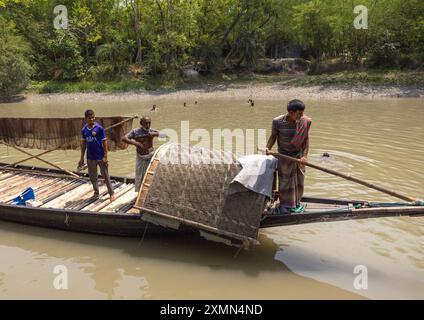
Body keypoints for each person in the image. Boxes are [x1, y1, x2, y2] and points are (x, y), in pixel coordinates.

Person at [266, 99, 312, 214]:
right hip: (284, 156)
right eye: (299, 113)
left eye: (302, 113)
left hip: (298, 156)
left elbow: (306, 140)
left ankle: (296, 203)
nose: (302, 116)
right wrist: (268, 148)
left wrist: (304, 157)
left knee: (299, 181)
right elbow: (273, 136)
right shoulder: (277, 121)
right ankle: (285, 205)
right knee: (285, 182)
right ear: (291, 112)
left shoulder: (304, 121)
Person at [79, 109, 115, 202]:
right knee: (93, 177)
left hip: (100, 157)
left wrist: (105, 156)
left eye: (93, 118)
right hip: (90, 157)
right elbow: (83, 145)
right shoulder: (84, 130)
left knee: (105, 175)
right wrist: (81, 158)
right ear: (86, 119)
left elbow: (105, 142)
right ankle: (96, 193)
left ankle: (111, 193)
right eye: (89, 118)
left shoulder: (99, 128)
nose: (92, 119)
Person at [122, 116, 164, 193]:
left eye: (149, 123)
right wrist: (136, 143)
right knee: (139, 176)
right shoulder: (135, 132)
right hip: (140, 157)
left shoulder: (151, 131)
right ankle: (139, 193)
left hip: (151, 156)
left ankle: (150, 192)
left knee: (151, 175)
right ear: (141, 123)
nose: (148, 125)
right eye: (146, 123)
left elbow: (164, 135)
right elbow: (124, 138)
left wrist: (154, 134)